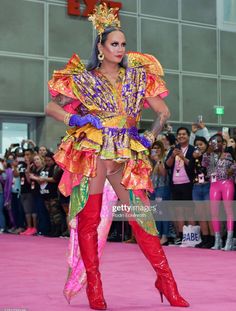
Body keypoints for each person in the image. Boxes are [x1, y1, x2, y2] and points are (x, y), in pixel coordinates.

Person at [46, 3, 189, 309]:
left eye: (123, 44)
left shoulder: (138, 77)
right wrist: (76, 120)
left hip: (127, 152)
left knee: (142, 219)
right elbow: (51, 107)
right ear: (100, 47)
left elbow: (163, 111)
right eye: (114, 44)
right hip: (96, 151)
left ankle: (167, 281)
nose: (121, 49)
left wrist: (148, 138)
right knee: (90, 218)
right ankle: (94, 288)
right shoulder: (83, 79)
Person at [202, 133, 236, 251]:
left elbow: (234, 166)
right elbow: (203, 164)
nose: (216, 144)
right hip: (214, 184)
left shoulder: (228, 154)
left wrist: (231, 170)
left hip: (226, 183)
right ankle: (218, 240)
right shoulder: (208, 156)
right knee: (214, 212)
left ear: (223, 143)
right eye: (213, 141)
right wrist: (208, 151)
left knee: (228, 211)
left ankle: (229, 240)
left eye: (219, 141)